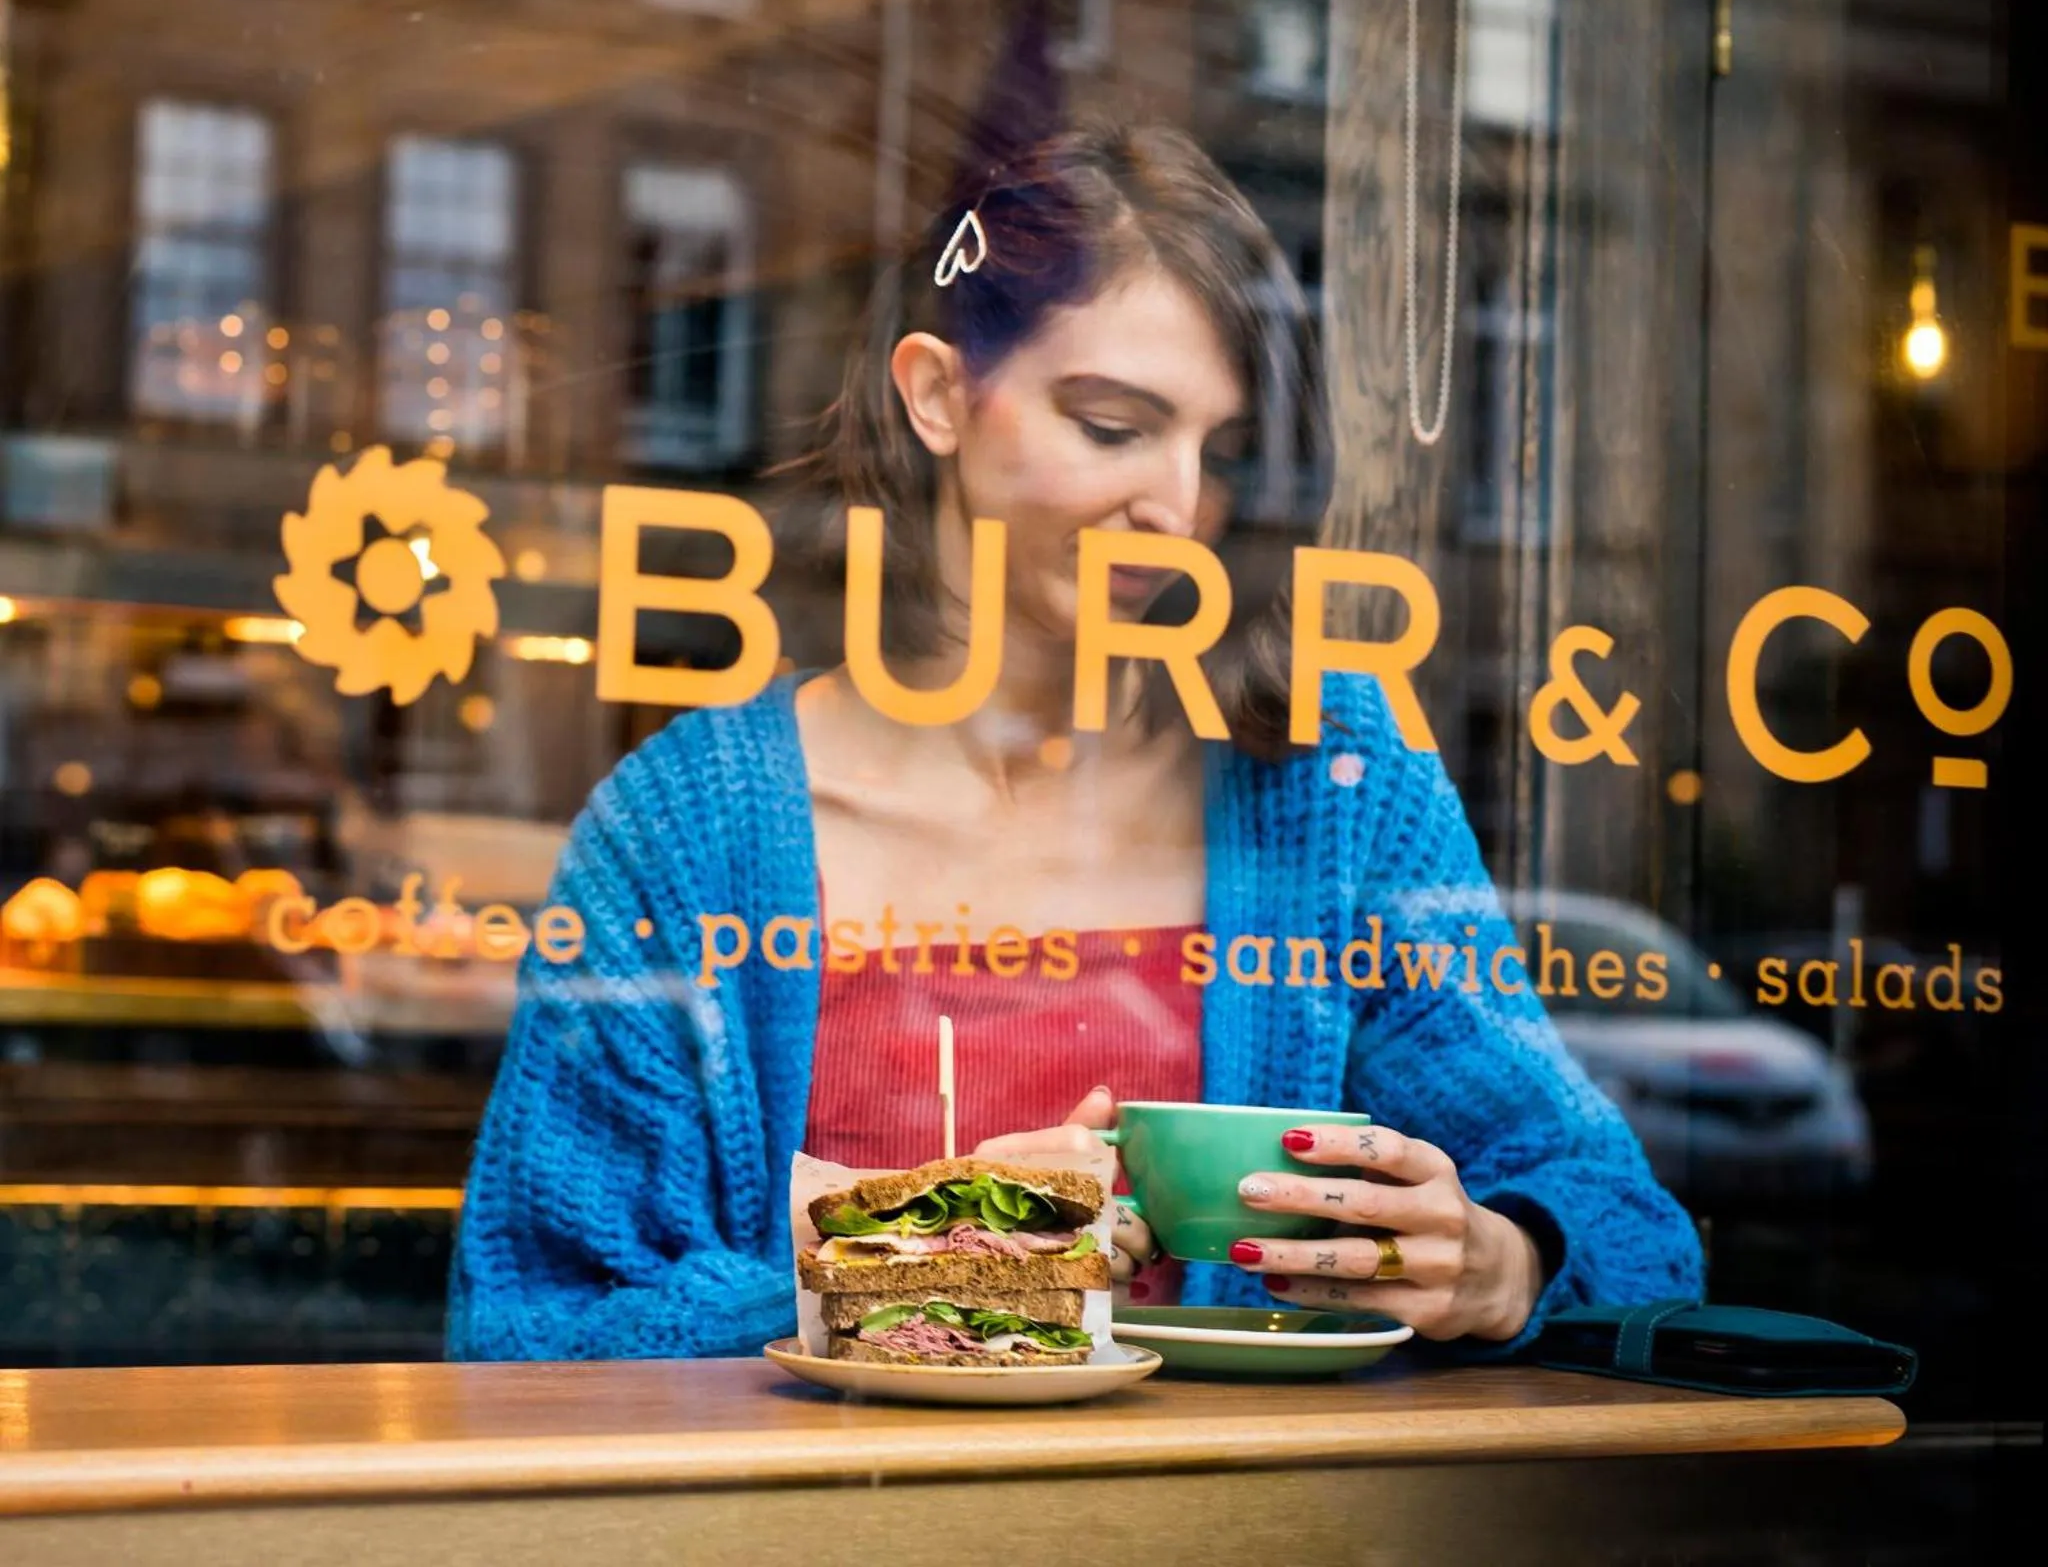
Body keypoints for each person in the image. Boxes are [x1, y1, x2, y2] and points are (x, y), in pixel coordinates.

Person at [447, 123, 1702, 1362]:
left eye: (1224, 453)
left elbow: (1624, 1223)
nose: (1175, 507)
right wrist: (923, 1247)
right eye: (1112, 425)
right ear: (938, 393)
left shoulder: (1325, 785)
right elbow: (528, 1327)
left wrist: (1500, 1258)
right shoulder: (688, 828)